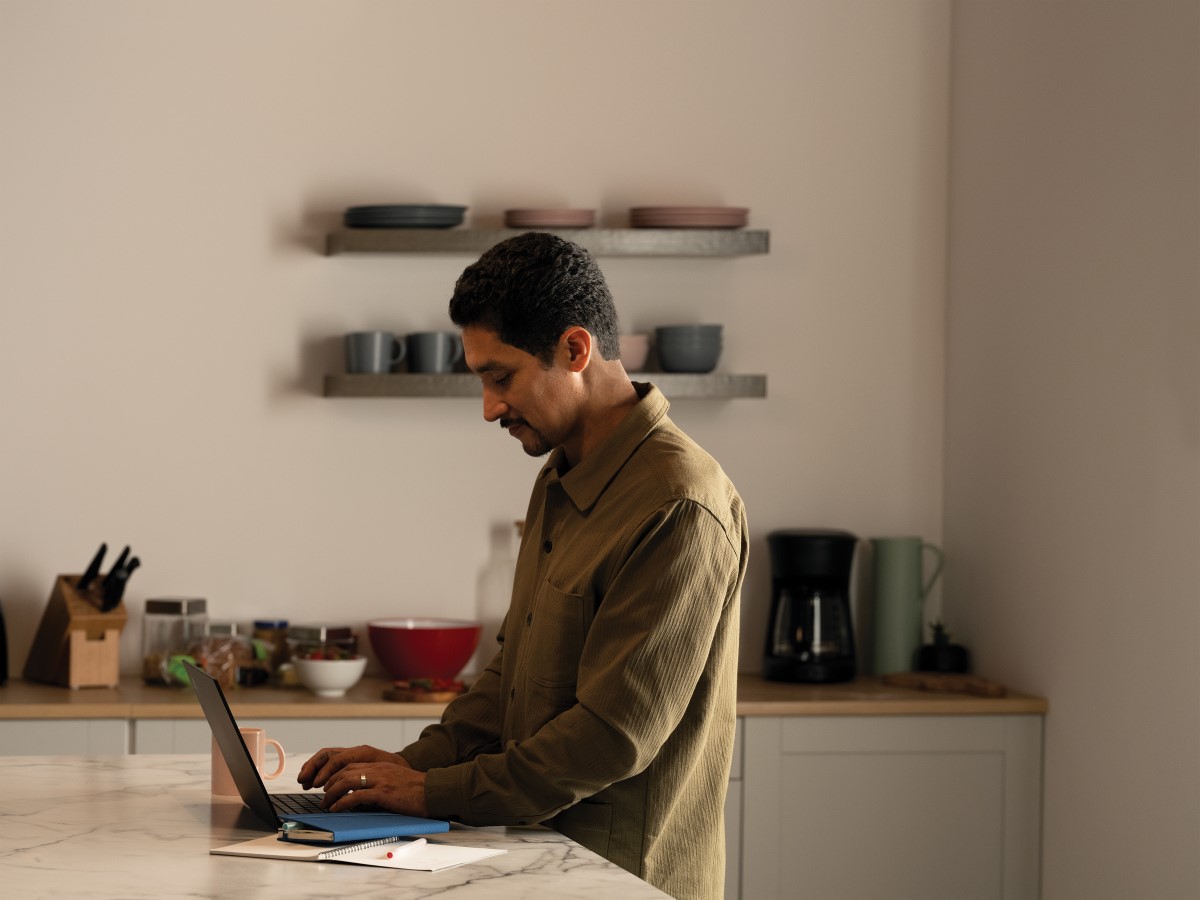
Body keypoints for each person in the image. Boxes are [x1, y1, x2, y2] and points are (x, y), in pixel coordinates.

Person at [298, 232, 748, 900]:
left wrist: (427, 790)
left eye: (499, 377)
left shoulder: (679, 503)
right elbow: (512, 679)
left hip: (623, 880)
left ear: (575, 349)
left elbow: (609, 738)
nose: (489, 408)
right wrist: (404, 766)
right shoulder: (561, 475)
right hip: (540, 863)